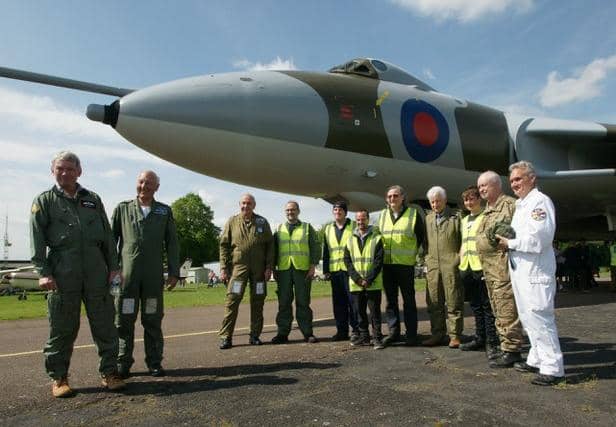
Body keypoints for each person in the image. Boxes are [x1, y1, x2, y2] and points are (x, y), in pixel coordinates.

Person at [30, 151, 125, 397]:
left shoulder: (92, 199)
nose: (65, 173)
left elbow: (106, 237)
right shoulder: (44, 201)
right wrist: (43, 272)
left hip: (96, 271)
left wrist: (114, 268)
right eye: (60, 168)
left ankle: (110, 373)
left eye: (70, 169)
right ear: (53, 171)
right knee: (62, 329)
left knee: (105, 325)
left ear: (79, 172)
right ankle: (59, 378)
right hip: (63, 272)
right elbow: (37, 242)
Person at [496, 161, 565, 385]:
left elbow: (540, 239)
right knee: (527, 317)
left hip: (536, 272)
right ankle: (536, 358)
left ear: (532, 178)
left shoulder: (539, 203)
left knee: (540, 318)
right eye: (512, 180)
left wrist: (511, 242)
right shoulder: (521, 204)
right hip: (521, 272)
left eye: (519, 178)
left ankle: (553, 368)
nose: (514, 183)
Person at [112, 170, 180, 379]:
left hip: (152, 279)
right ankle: (123, 362)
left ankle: (154, 362)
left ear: (156, 187)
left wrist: (174, 272)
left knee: (152, 319)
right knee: (124, 320)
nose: (145, 186)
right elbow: (109, 242)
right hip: (127, 280)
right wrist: (112, 271)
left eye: (149, 183)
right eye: (142, 182)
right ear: (137, 183)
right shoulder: (122, 209)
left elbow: (172, 243)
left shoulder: (163, 211)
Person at [476, 171, 524, 368]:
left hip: (504, 271)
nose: (481, 190)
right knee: (499, 310)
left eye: (485, 186)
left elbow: (519, 234)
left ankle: (512, 351)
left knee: (508, 311)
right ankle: (506, 346)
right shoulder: (487, 210)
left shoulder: (511, 206)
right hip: (491, 272)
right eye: (479, 187)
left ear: (496, 185)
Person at [218, 194, 274, 349]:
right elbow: (223, 245)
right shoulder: (232, 221)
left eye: (249, 203)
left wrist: (269, 267)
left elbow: (270, 246)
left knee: (258, 301)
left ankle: (255, 335)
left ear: (254, 205)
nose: (246, 206)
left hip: (259, 270)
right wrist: (223, 267)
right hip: (239, 268)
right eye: (243, 203)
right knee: (232, 300)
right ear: (239, 204)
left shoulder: (262, 222)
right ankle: (226, 337)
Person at [377, 185, 424, 346]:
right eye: (389, 196)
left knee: (408, 301)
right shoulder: (382, 216)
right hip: (387, 265)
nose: (392, 199)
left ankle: (411, 334)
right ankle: (393, 332)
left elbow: (420, 237)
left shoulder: (413, 214)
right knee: (390, 301)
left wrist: (412, 254)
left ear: (403, 198)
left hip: (405, 265)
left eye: (395, 196)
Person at [457, 186, 499, 354]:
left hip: (481, 267)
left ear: (479, 199)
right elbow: (463, 243)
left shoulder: (485, 217)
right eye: (466, 200)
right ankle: (479, 337)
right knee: (475, 305)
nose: (469, 202)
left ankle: (491, 340)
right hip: (466, 267)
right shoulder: (464, 220)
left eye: (472, 199)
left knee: (486, 305)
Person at [272, 201, 321, 344]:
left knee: (303, 302)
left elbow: (315, 247)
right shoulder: (279, 228)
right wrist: (274, 268)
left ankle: (307, 333)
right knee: (284, 302)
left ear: (298, 211)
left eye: (293, 210)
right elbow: (274, 250)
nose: (290, 212)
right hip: (284, 270)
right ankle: (282, 333)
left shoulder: (307, 227)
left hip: (302, 270)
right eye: (287, 210)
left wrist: (313, 266)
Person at [422, 186, 464, 348]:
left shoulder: (456, 217)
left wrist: (458, 258)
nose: (435, 204)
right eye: (432, 202)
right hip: (433, 266)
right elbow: (425, 242)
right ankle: (437, 334)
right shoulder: (428, 219)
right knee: (434, 302)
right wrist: (427, 258)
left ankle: (455, 336)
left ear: (445, 200)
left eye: (438, 201)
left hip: (451, 264)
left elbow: (464, 241)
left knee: (453, 300)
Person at [343, 209, 384, 350]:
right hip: (356, 284)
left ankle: (377, 338)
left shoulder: (377, 238)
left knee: (375, 314)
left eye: (363, 219)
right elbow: (347, 261)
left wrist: (369, 279)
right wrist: (358, 279)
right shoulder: (349, 239)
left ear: (368, 219)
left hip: (373, 283)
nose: (361, 222)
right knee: (360, 313)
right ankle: (364, 337)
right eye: (358, 220)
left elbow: (379, 261)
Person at [322, 201, 359, 341]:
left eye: (340, 210)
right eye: (335, 210)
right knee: (338, 303)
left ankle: (356, 331)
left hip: (350, 271)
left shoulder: (353, 226)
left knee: (353, 303)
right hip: (335, 271)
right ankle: (341, 331)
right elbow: (326, 251)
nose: (337, 212)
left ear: (345, 212)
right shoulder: (328, 229)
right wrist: (326, 270)